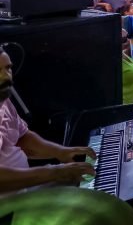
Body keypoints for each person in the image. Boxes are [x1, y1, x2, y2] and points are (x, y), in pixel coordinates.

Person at [0, 45, 96, 192]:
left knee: (95, 186)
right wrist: (54, 173)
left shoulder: (4, 101)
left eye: (8, 68)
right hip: (6, 208)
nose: (6, 76)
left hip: (23, 190)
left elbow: (21, 138)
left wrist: (60, 152)